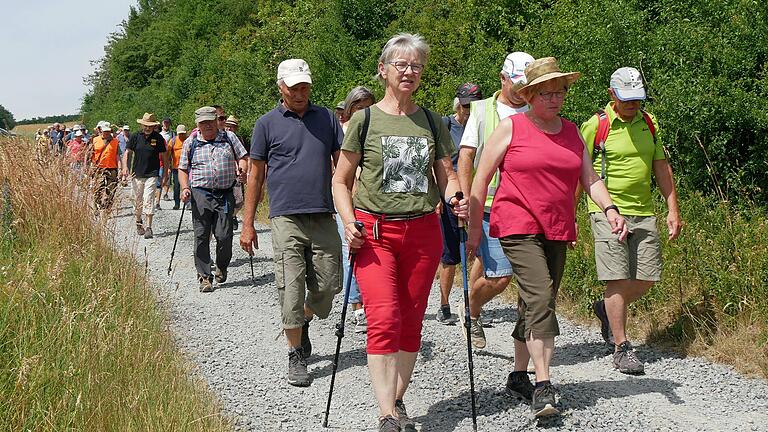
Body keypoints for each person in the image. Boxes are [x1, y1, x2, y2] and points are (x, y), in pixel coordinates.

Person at [468, 57, 628, 417]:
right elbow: (481, 178)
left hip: (556, 226)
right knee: (541, 297)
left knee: (534, 301)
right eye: (546, 94)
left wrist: (611, 210)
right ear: (529, 95)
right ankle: (543, 385)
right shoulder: (511, 128)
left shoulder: (571, 132)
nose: (555, 99)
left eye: (560, 92)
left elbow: (590, 179)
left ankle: (518, 375)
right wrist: (474, 228)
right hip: (516, 223)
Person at [332, 34, 468, 432]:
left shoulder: (429, 120)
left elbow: (446, 174)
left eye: (416, 66)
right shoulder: (365, 119)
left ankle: (396, 399)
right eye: (401, 65)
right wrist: (347, 220)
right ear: (384, 70)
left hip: (424, 234)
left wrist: (456, 196)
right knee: (385, 318)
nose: (409, 72)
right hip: (376, 235)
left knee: (411, 321)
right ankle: (387, 414)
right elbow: (340, 182)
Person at [240, 58, 343, 388]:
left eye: (305, 87)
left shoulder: (327, 118)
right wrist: (248, 223)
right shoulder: (266, 124)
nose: (301, 93)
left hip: (324, 214)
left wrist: (353, 210)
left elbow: (343, 168)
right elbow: (256, 175)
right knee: (290, 289)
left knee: (329, 287)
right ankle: (295, 354)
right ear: (280, 87)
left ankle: (305, 319)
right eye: (294, 87)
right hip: (285, 216)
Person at [581, 67, 682, 374]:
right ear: (612, 95)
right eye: (627, 100)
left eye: (637, 100)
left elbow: (661, 168)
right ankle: (621, 346)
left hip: (644, 210)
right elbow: (580, 171)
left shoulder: (649, 123)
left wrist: (673, 208)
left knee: (648, 277)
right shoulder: (595, 126)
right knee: (617, 278)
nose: (633, 105)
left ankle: (605, 308)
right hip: (606, 209)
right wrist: (570, 216)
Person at [457, 51, 534, 348]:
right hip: (489, 207)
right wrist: (465, 200)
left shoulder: (535, 109)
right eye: (516, 83)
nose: (521, 90)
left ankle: (527, 343)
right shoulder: (481, 110)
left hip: (527, 208)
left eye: (526, 84)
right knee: (500, 277)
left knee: (515, 275)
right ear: (502, 78)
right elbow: (466, 155)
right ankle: (472, 312)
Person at [178, 107, 248, 292]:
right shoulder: (191, 142)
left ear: (216, 120)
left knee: (224, 236)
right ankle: (204, 277)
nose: (208, 125)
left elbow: (243, 157)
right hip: (200, 193)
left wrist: (242, 169)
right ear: (198, 124)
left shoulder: (228, 138)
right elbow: (183, 169)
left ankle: (221, 267)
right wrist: (185, 188)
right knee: (201, 235)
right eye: (203, 123)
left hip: (225, 193)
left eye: (210, 121)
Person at [435, 82, 483, 325]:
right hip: (452, 197)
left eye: (473, 106)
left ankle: (471, 303)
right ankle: (444, 303)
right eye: (465, 106)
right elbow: (438, 163)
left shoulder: (485, 125)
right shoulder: (446, 125)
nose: (469, 110)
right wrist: (438, 197)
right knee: (451, 254)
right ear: (458, 105)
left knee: (479, 253)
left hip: (479, 195)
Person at [334, 85, 377, 334]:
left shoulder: (378, 128)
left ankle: (368, 303)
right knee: (351, 251)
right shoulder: (342, 133)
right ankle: (357, 305)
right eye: (359, 108)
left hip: (371, 203)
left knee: (368, 254)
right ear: (350, 109)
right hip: (348, 201)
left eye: (368, 107)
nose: (364, 112)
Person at [122, 113, 170, 239]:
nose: (147, 128)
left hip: (152, 173)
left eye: (150, 126)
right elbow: (127, 153)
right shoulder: (135, 137)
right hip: (137, 173)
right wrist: (125, 167)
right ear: (142, 125)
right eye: (145, 126)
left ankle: (149, 227)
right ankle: (139, 223)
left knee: (148, 198)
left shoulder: (158, 138)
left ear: (154, 126)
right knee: (137, 200)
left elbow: (165, 157)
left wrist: (165, 174)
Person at [88, 122, 121, 214]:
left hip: (112, 168)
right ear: (101, 130)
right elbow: (89, 154)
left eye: (108, 131)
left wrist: (121, 168)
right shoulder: (94, 140)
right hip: (98, 168)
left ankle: (107, 207)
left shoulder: (115, 141)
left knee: (111, 189)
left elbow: (118, 155)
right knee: (98, 188)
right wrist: (89, 167)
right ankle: (96, 206)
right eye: (105, 131)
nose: (106, 133)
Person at [167, 124, 187, 210]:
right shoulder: (173, 140)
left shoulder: (188, 140)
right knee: (176, 186)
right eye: (180, 134)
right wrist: (167, 166)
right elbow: (167, 154)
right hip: (176, 168)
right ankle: (177, 204)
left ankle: (188, 204)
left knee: (187, 186)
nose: (182, 135)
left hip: (187, 167)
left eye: (183, 133)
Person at [158, 117, 175, 202]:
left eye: (167, 123)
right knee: (160, 176)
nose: (166, 124)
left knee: (168, 175)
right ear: (162, 123)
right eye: (165, 122)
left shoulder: (172, 134)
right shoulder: (159, 134)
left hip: (169, 157)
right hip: (160, 158)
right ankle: (158, 192)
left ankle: (165, 193)